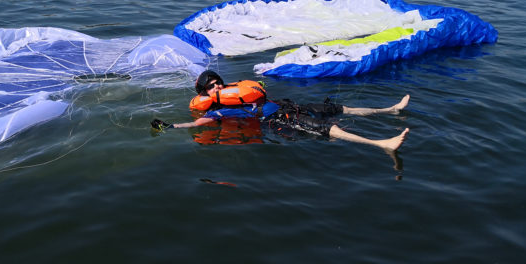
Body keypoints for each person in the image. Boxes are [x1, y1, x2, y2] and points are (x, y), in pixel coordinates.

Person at [151, 70, 410, 153]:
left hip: (289, 106)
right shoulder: (218, 112)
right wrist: (170, 126)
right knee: (328, 128)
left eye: (218, 82)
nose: (218, 87)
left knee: (337, 108)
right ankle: (381, 144)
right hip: (277, 120)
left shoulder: (239, 89)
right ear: (204, 92)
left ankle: (389, 110)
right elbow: (197, 125)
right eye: (211, 86)